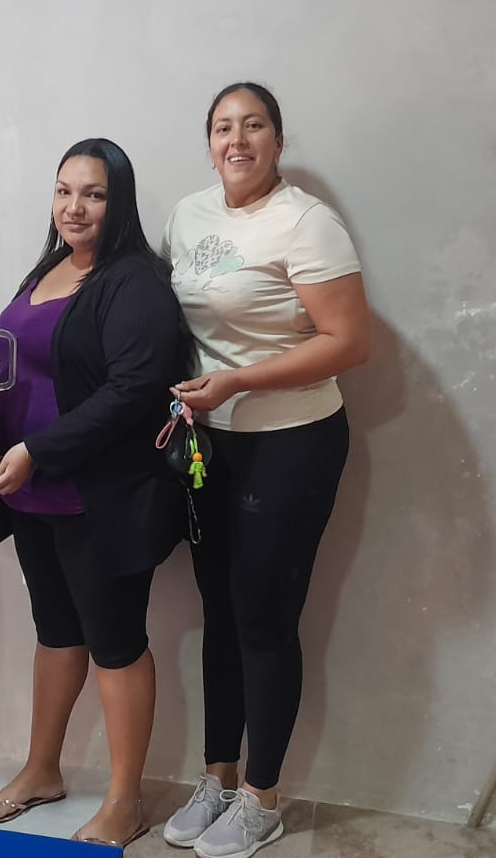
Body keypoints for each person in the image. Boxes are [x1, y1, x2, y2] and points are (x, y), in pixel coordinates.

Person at [159, 83, 371, 858]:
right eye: (223, 127)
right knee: (219, 612)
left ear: (278, 141)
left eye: (254, 126)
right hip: (210, 446)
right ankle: (218, 777)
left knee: (263, 619)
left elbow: (350, 342)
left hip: (292, 442)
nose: (237, 140)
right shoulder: (187, 216)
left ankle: (263, 797)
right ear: (209, 142)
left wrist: (240, 381)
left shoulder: (307, 224)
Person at [0, 139, 190, 848]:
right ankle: (42, 770)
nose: (74, 207)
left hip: (100, 498)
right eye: (64, 191)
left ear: (118, 201)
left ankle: (126, 801)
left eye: (93, 194)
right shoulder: (50, 267)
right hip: (33, 493)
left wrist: (38, 449)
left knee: (115, 643)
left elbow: (134, 391)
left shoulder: (136, 283)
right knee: (56, 633)